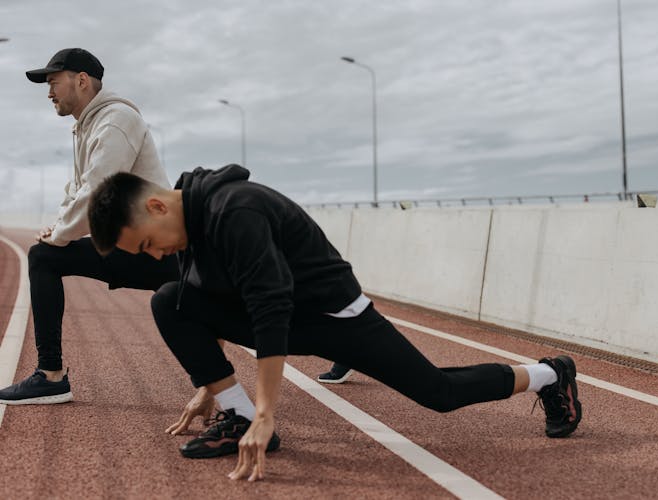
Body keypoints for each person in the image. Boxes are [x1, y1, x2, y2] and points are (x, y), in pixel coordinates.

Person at [87, 165, 583, 482]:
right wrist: (212, 388)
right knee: (171, 299)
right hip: (290, 315)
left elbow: (269, 309)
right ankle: (234, 416)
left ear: (155, 207)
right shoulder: (189, 223)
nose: (156, 252)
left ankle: (550, 374)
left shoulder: (235, 210)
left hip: (337, 320)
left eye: (149, 242)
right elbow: (206, 295)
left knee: (438, 394)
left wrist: (268, 413)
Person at [0, 49, 177, 407]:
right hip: (132, 245)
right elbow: (78, 190)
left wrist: (61, 235)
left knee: (244, 307)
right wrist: (58, 228)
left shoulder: (115, 121)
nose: (49, 93)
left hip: (161, 248)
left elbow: (99, 190)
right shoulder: (88, 126)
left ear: (81, 81)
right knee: (46, 255)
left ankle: (51, 377)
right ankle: (50, 376)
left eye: (53, 82)